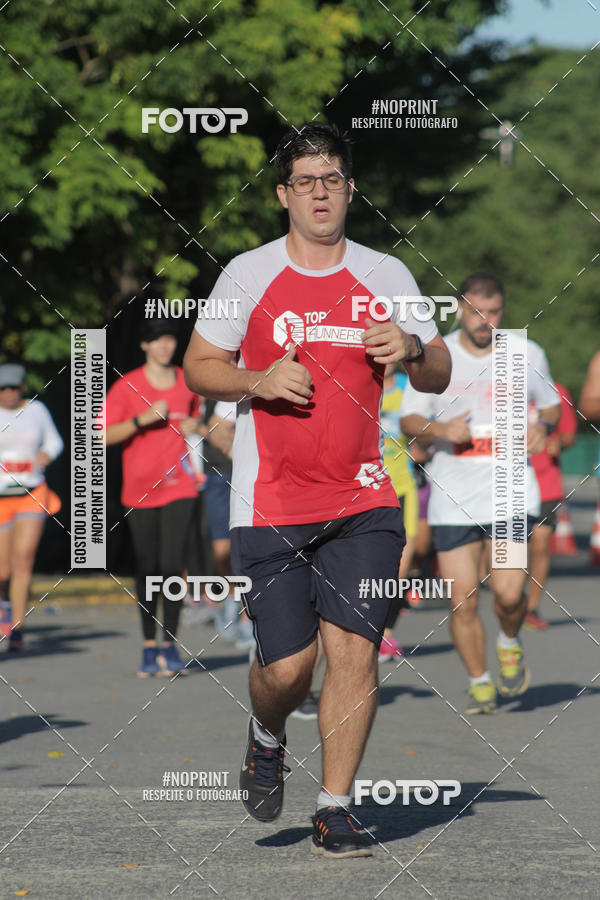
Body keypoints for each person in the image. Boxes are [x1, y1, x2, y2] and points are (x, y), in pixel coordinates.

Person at [184, 122, 451, 858]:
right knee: (287, 669)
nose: (320, 193)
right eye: (305, 181)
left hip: (364, 499)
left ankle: (335, 807)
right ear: (284, 195)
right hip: (271, 500)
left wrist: (413, 347)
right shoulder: (247, 274)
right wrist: (257, 379)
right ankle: (267, 733)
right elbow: (200, 365)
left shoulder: (386, 274)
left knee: (356, 654)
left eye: (332, 179)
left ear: (350, 189)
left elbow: (439, 371)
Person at [401, 273, 560, 714]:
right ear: (459, 309)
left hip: (510, 492)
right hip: (453, 497)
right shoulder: (438, 356)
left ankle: (509, 641)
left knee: (508, 594)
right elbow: (408, 420)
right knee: (463, 599)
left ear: (502, 312)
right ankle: (480, 682)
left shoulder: (525, 352)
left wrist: (542, 427)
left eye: (493, 312)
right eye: (475, 311)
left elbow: (551, 406)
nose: (484, 321)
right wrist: (440, 430)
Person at [106, 321, 204, 677]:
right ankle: (149, 645)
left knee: (172, 564)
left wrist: (198, 427)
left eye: (169, 340)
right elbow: (101, 435)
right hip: (140, 490)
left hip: (181, 485)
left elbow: (200, 422)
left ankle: (170, 645)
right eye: (157, 341)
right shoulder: (127, 385)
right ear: (144, 345)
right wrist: (141, 419)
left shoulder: (188, 382)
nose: (165, 346)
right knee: (148, 567)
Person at [0, 363, 63, 650]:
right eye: (3, 388)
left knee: (23, 559)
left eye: (13, 387)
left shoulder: (36, 410)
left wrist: (46, 454)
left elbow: (55, 442)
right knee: (2, 570)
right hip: (1, 497)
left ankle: (17, 628)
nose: (8, 393)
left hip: (31, 493)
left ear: (22, 388)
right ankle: (4, 604)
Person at [525, 383, 577, 629]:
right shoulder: (499, 387)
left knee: (540, 543)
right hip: (506, 484)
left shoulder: (557, 392)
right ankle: (511, 600)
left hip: (545, 483)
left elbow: (569, 436)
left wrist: (559, 443)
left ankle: (531, 607)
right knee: (512, 548)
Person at [378, 362, 418, 660]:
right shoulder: (357, 383)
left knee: (400, 569)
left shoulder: (409, 388)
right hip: (366, 489)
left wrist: (424, 443)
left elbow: (424, 427)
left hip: (403, 487)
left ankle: (386, 633)